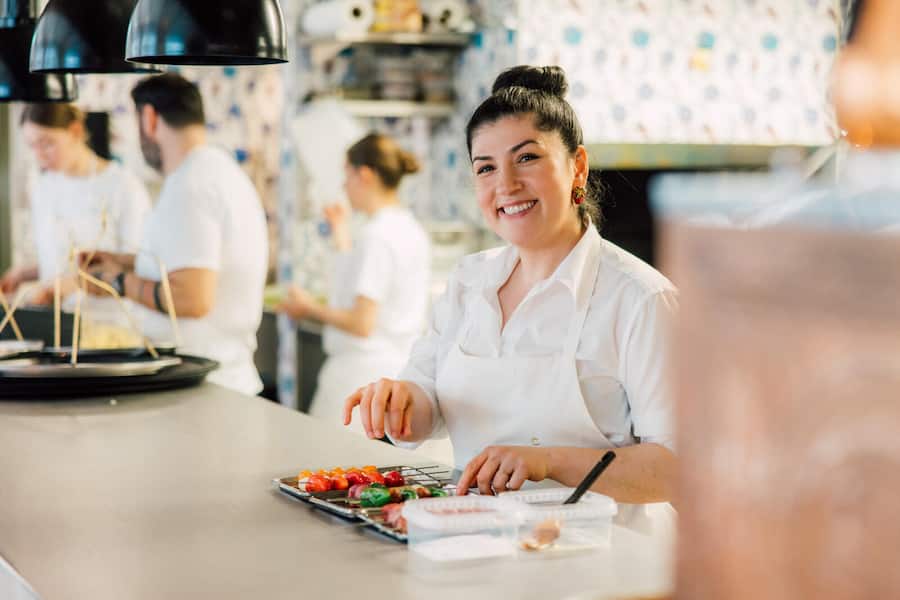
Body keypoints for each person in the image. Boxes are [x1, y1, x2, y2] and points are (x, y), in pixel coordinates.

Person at [344, 66, 678, 504]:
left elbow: (677, 468)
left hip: (598, 561)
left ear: (577, 167)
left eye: (527, 158)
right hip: (474, 541)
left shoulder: (641, 299)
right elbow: (426, 402)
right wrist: (398, 402)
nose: (506, 185)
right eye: (485, 168)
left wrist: (547, 462)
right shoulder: (468, 282)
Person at [83, 74, 268, 396]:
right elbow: (187, 266)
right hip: (215, 382)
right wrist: (123, 262)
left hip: (208, 390)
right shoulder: (216, 170)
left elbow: (192, 297)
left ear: (149, 118)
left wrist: (115, 281)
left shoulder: (191, 186)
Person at [277, 134, 434, 433]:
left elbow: (362, 322)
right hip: (393, 370)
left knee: (328, 470)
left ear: (364, 175)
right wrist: (341, 233)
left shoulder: (376, 236)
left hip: (359, 375)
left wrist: (307, 308)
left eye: (346, 176)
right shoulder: (408, 228)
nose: (343, 186)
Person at [0, 104, 150, 302]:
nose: (39, 155)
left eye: (47, 143)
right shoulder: (44, 187)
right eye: (32, 146)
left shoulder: (123, 186)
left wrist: (75, 284)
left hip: (107, 319)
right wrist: (24, 273)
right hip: (54, 316)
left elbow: (138, 265)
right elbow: (59, 260)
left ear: (75, 132)